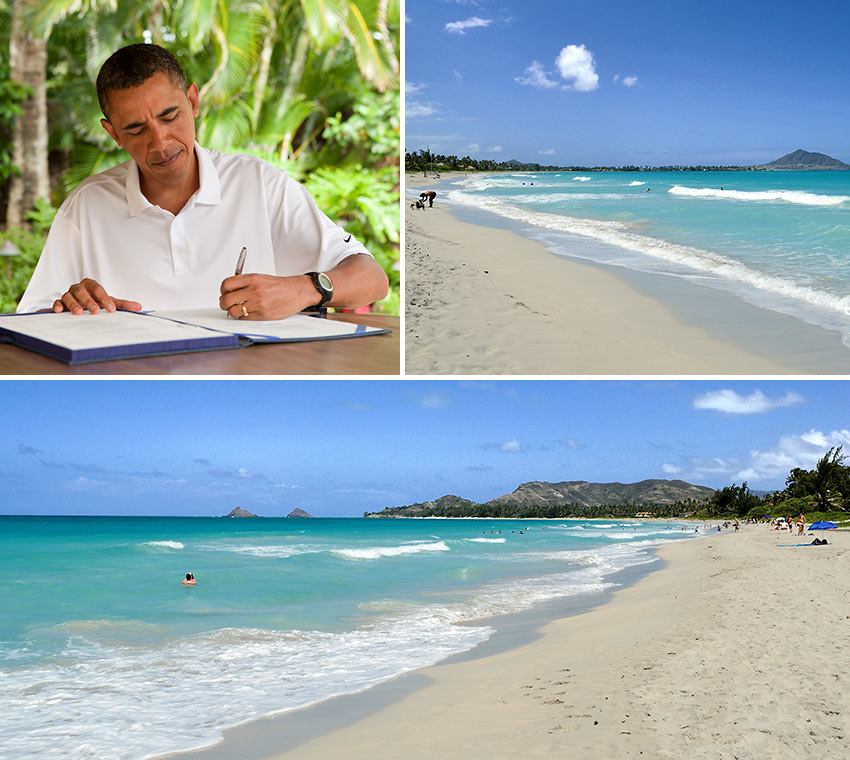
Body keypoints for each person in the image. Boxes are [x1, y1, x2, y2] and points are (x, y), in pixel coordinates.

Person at [17, 44, 388, 319]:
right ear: (113, 134)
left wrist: (304, 289)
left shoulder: (258, 183)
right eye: (136, 129)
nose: (160, 143)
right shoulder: (86, 207)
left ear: (193, 101)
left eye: (170, 116)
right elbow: (32, 322)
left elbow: (373, 278)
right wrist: (66, 306)